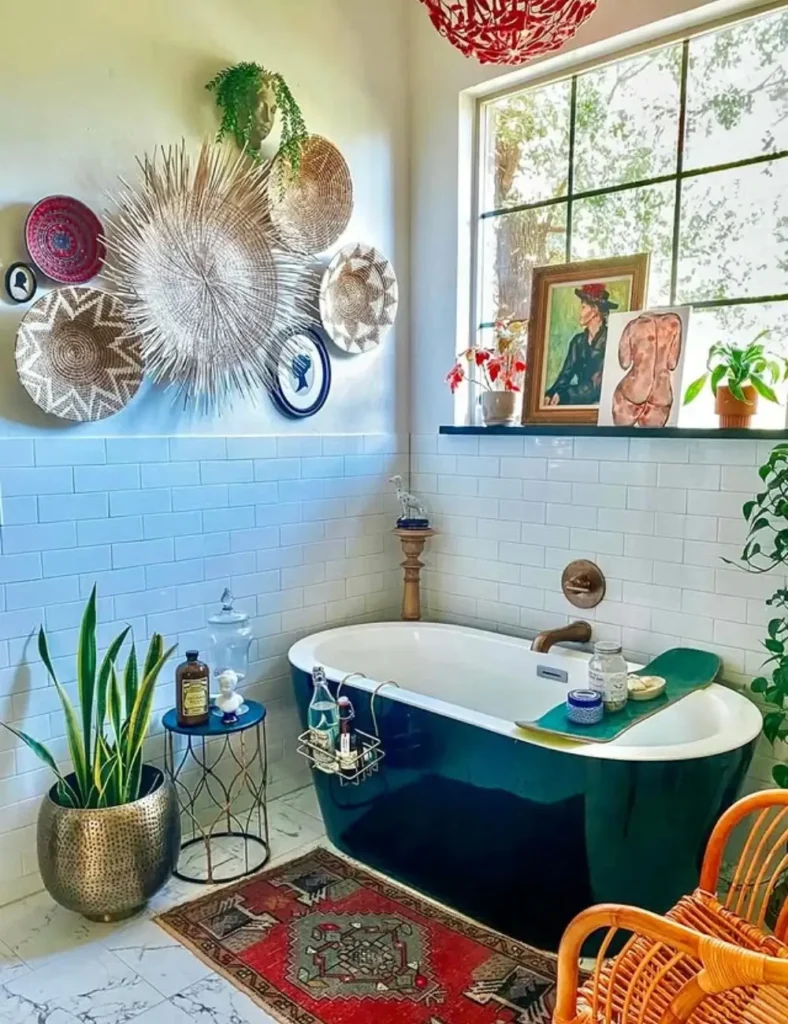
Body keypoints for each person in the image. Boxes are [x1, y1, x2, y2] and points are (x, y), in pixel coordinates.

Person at [544, 282, 618, 407]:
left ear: (595, 312)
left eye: (583, 307)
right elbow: (566, 373)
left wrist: (565, 395)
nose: (580, 312)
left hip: (600, 406)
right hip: (578, 400)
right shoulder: (578, 341)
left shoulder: (611, 340)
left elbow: (597, 385)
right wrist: (551, 393)